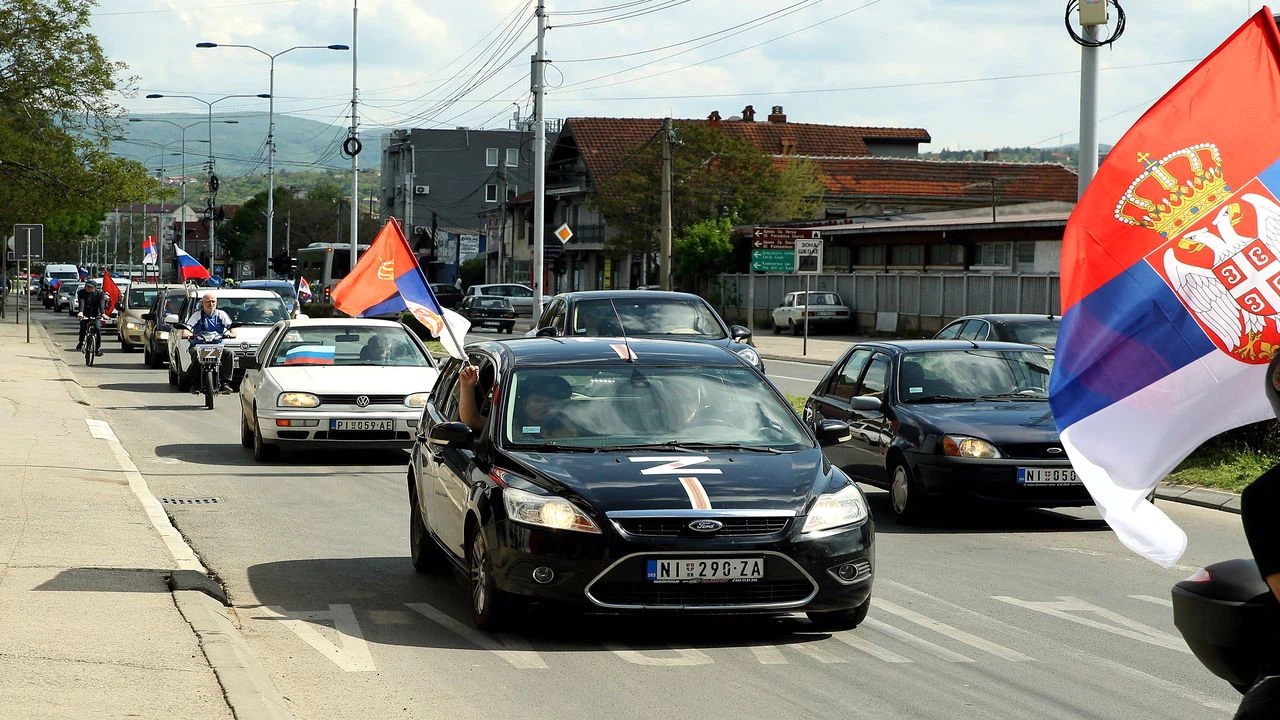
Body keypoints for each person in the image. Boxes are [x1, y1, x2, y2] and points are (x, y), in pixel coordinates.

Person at [182, 292, 236, 393]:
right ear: (202, 303)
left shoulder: (221, 314)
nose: (211, 304)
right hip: (199, 346)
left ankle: (225, 383)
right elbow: (187, 328)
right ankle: (195, 383)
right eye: (208, 302)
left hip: (217, 347)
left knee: (229, 353)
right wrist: (187, 334)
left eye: (213, 301)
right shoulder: (196, 315)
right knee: (195, 354)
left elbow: (231, 327)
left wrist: (232, 333)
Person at [76, 279, 108, 354]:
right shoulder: (81, 292)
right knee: (83, 327)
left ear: (94, 288)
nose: (88, 288)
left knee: (98, 329)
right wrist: (81, 312)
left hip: (96, 314)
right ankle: (81, 342)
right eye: (87, 286)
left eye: (90, 287)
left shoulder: (100, 293)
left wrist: (103, 314)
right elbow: (81, 302)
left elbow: (101, 304)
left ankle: (97, 348)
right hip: (85, 313)